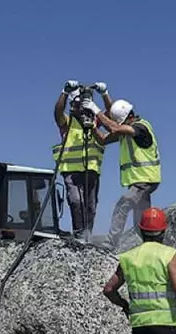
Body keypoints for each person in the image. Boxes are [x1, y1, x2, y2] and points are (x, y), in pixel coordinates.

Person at [93, 93, 161, 251]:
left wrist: (96, 110)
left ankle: (110, 244)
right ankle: (147, 245)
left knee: (123, 204)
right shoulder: (127, 130)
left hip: (145, 179)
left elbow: (114, 127)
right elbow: (103, 139)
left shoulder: (140, 128)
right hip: (140, 180)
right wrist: (93, 127)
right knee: (141, 216)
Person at [52, 79, 108, 239]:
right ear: (72, 106)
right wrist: (65, 92)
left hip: (91, 171)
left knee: (90, 206)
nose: (80, 109)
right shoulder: (67, 122)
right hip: (71, 172)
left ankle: (87, 236)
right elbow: (57, 112)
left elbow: (111, 115)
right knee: (76, 202)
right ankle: (79, 234)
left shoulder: (93, 120)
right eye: (77, 106)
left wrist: (104, 94)